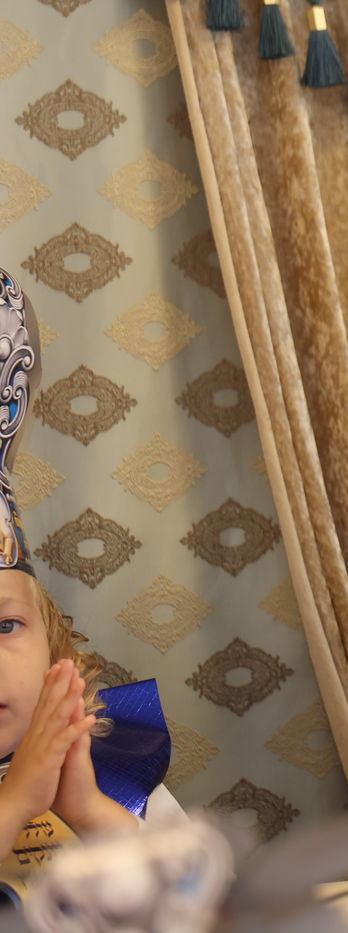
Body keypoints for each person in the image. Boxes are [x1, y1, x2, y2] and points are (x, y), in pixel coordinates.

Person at [0, 267, 178, 905]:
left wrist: (89, 810)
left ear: (55, 653)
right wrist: (16, 801)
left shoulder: (113, 772)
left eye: (6, 626)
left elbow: (206, 901)